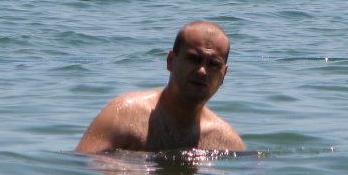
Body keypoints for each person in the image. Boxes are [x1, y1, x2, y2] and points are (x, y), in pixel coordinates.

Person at [75, 21, 245, 152]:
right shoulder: (123, 115)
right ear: (171, 61)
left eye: (213, 64)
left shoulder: (227, 141)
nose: (202, 71)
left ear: (224, 74)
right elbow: (82, 166)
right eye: (194, 59)